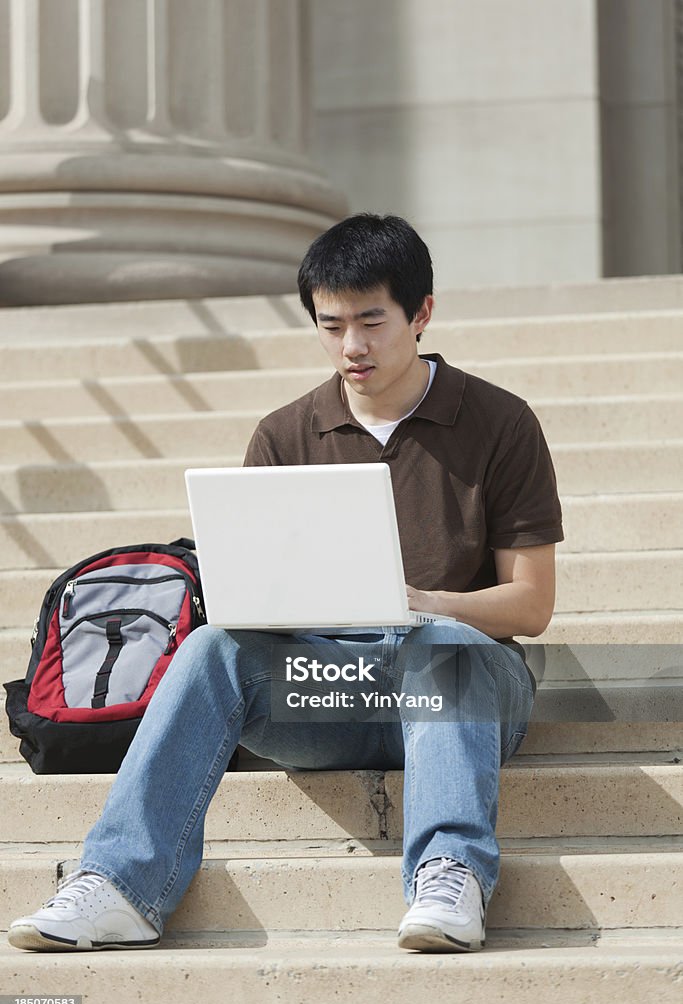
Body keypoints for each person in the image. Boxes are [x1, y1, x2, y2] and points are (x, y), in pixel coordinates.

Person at [8, 213, 563, 954]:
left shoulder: (499, 423)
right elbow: (250, 599)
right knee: (210, 647)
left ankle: (448, 872)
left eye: (371, 321)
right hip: (328, 689)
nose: (351, 347)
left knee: (445, 648)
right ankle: (120, 885)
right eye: (330, 326)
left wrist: (426, 605)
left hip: (465, 693)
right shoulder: (283, 433)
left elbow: (530, 605)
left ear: (421, 313)